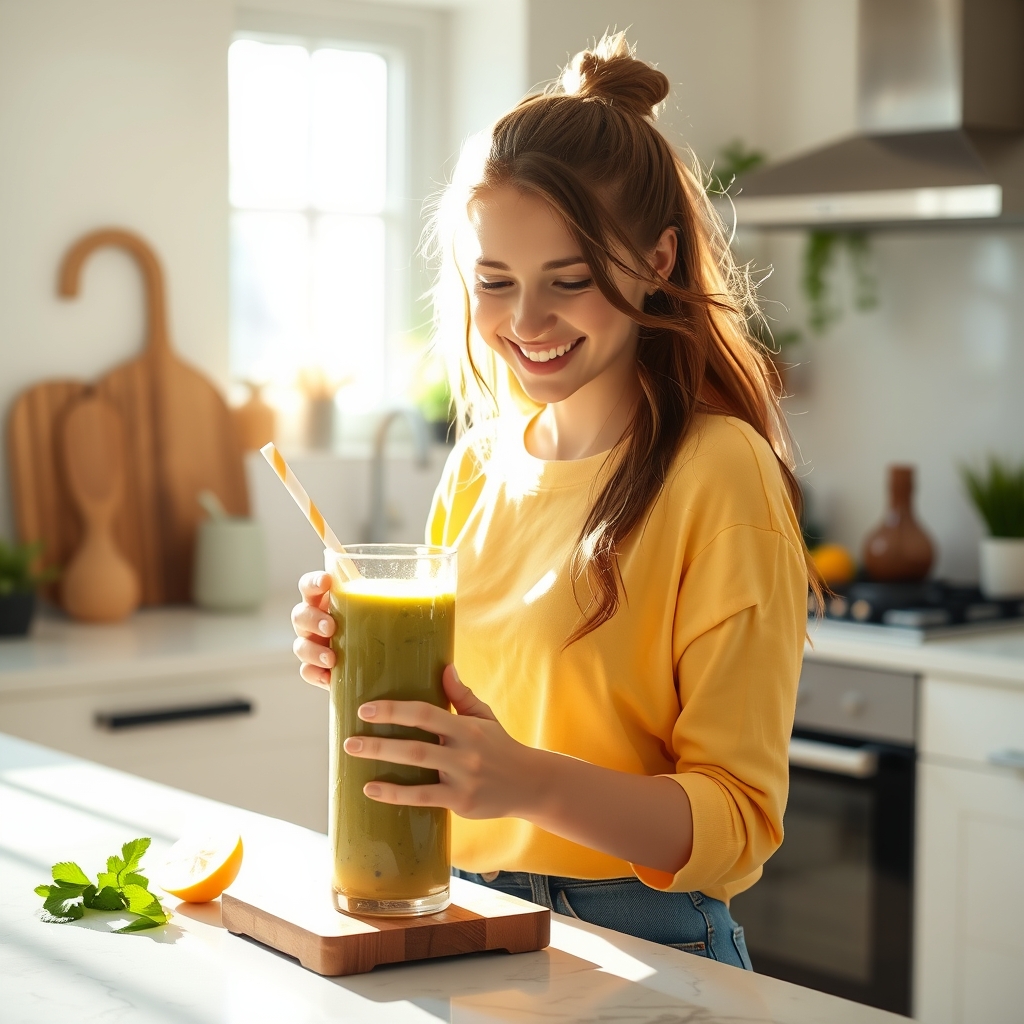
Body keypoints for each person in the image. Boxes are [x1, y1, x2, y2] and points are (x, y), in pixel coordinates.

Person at [291, 33, 811, 969]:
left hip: (643, 943)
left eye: (568, 282)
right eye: (495, 283)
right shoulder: (482, 464)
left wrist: (523, 783)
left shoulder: (719, 474)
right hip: (464, 916)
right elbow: (466, 723)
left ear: (657, 259)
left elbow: (738, 821)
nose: (525, 325)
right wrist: (361, 656)